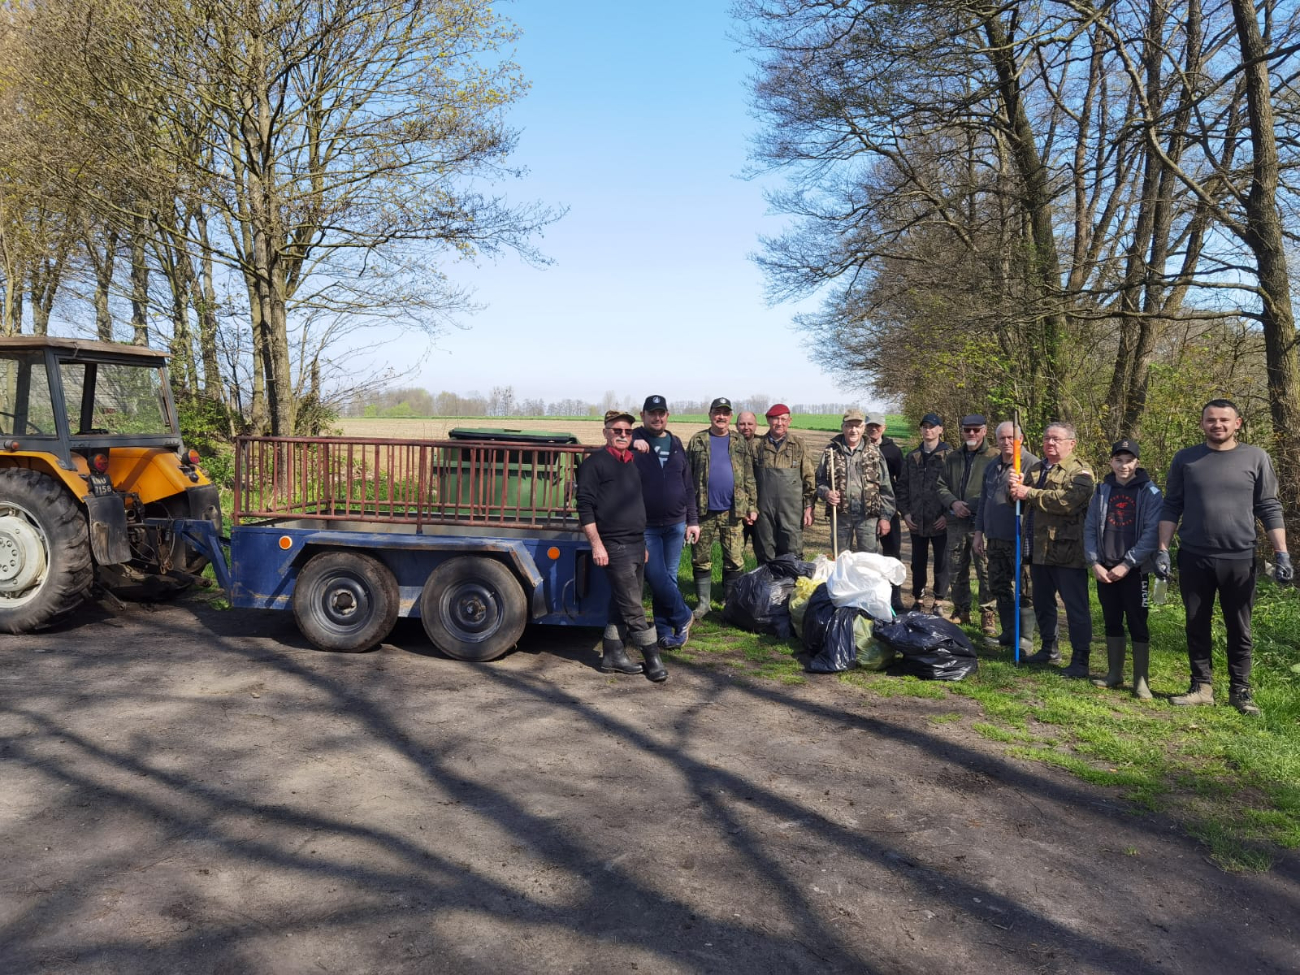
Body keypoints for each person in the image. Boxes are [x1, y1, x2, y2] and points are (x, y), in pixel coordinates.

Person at [1157, 399, 1291, 716]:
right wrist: (1162, 549)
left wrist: (1281, 553)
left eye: (1224, 420)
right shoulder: (1185, 459)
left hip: (1240, 558)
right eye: (1211, 420)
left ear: (1238, 423)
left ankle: (1240, 691)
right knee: (1196, 622)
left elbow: (1269, 507)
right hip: (1194, 555)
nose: (1218, 425)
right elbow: (1171, 505)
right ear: (1202, 423)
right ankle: (1201, 687)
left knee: (1240, 627)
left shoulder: (1256, 458)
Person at [576, 410, 665, 681]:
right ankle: (654, 658)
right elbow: (585, 508)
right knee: (633, 607)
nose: (623, 435)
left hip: (636, 543)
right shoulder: (595, 464)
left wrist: (642, 543)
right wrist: (597, 546)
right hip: (614, 546)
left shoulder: (630, 462)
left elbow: (635, 505)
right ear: (606, 433)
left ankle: (613, 655)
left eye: (627, 431)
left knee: (620, 602)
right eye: (617, 431)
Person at [1009, 422, 1095, 677]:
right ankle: (1049, 648)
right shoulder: (1036, 468)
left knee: (1075, 607)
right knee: (1043, 602)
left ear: (1072, 443)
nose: (1050, 443)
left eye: (1057, 439)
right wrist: (1013, 488)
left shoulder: (1080, 472)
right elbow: (1018, 500)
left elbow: (1067, 502)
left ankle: (1080, 659)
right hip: (1038, 548)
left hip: (1067, 551)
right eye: (1047, 439)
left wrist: (1029, 492)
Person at [1083, 439, 1163, 700]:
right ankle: (1114, 673)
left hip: (1134, 571)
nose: (1123, 465)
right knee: (1111, 619)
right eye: (1119, 460)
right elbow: (1090, 527)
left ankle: (1141, 681)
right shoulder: (1102, 490)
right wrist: (1094, 561)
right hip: (1104, 568)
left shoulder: (1150, 493)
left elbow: (1152, 533)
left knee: (1138, 622)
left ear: (1137, 462)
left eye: (1129, 460)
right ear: (1111, 462)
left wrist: (1127, 564)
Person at [631, 395, 699, 650]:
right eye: (652, 413)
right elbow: (613, 450)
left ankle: (664, 630)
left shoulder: (676, 442)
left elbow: (688, 485)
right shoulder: (634, 439)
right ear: (643, 415)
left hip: (676, 522)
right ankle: (683, 615)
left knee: (669, 577)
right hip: (646, 524)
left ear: (667, 415)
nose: (657, 418)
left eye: (662, 413)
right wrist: (631, 445)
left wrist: (692, 520)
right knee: (655, 575)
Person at [686, 397, 757, 617]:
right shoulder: (698, 440)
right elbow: (686, 477)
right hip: (703, 511)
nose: (721, 417)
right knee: (700, 557)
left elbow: (748, 476)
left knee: (734, 558)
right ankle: (703, 604)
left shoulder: (739, 442)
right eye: (717, 412)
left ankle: (730, 603)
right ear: (710, 414)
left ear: (730, 417)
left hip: (733, 512)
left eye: (726, 413)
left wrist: (752, 506)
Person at [972, 421, 1037, 655]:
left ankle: (1025, 638)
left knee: (1025, 588)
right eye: (1002, 438)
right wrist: (979, 532)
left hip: (1020, 537)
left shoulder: (1032, 464)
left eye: (1011, 438)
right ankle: (1009, 631)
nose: (1007, 442)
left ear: (1021, 439)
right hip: (995, 537)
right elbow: (983, 502)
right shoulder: (992, 466)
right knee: (999, 585)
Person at [937, 414, 998, 631]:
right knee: (956, 567)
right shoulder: (953, 457)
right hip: (956, 522)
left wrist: (970, 505)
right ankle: (961, 610)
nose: (971, 434)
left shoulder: (995, 458)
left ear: (984, 431)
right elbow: (940, 485)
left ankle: (988, 613)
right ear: (961, 431)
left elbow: (995, 489)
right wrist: (953, 503)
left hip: (981, 523)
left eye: (976, 430)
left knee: (985, 568)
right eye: (967, 430)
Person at [815, 409, 895, 554]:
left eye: (857, 426)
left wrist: (885, 517)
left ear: (863, 428)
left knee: (868, 562)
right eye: (849, 426)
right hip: (840, 517)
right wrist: (826, 493)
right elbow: (819, 481)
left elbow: (885, 488)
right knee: (840, 560)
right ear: (843, 427)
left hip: (868, 517)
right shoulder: (831, 452)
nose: (853, 430)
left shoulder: (874, 453)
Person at [897, 413, 952, 611]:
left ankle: (938, 601)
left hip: (940, 520)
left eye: (932, 426)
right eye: (924, 426)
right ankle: (918, 598)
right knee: (917, 562)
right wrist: (905, 513)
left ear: (940, 430)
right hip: (917, 520)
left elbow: (955, 489)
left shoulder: (949, 456)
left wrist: (948, 515)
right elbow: (902, 487)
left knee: (941, 562)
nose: (928, 430)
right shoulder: (913, 457)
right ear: (920, 430)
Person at [750, 404, 816, 563]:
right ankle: (767, 586)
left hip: (792, 510)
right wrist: (750, 507)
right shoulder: (756, 445)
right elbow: (748, 480)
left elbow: (809, 478)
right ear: (768, 420)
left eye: (783, 419)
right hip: (763, 510)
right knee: (765, 549)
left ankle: (792, 586)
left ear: (789, 421)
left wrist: (809, 507)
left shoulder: (799, 445)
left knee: (792, 549)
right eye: (775, 419)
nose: (779, 423)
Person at [865, 412, 906, 613]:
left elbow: (902, 480)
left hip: (889, 510)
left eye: (877, 426)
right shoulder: (860, 448)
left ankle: (895, 595)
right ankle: (872, 595)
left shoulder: (893, 451)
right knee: (869, 555)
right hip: (866, 511)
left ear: (884, 428)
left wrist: (894, 508)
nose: (874, 429)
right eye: (870, 426)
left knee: (892, 554)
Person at [736, 410, 760, 550]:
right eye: (742, 424)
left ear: (756, 425)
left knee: (763, 551)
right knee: (735, 554)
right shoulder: (730, 445)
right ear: (736, 425)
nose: (746, 427)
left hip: (760, 509)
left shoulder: (763, 445)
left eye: (750, 424)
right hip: (737, 510)